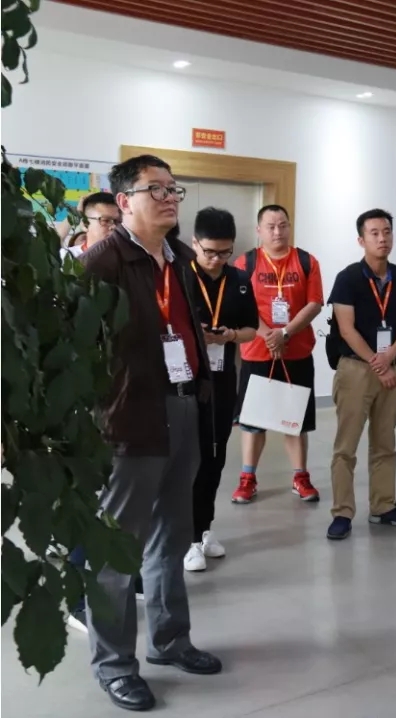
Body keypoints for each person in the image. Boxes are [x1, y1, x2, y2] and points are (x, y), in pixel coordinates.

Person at [81, 154, 220, 711]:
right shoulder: (102, 263)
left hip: (183, 406)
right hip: (131, 417)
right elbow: (78, 351)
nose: (169, 197)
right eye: (154, 189)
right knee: (117, 550)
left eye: (173, 188)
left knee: (171, 536)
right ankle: (114, 665)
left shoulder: (180, 258)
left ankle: (169, 640)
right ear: (124, 202)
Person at [326, 208, 396, 538]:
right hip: (356, 369)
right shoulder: (348, 278)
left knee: (385, 442)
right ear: (361, 239)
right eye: (375, 233)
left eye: (387, 232)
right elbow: (346, 329)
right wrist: (378, 363)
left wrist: (389, 357)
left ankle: (382, 506)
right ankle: (342, 512)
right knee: (346, 446)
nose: (382, 238)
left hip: (392, 368)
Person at [231, 205, 324, 504]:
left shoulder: (306, 261)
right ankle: (248, 478)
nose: (277, 231)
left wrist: (285, 333)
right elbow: (241, 306)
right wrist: (268, 335)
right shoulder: (246, 262)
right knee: (253, 422)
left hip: (297, 352)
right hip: (257, 353)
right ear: (259, 229)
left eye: (283, 225)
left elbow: (314, 304)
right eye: (270, 226)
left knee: (295, 421)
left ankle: (300, 477)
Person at [184, 208, 259, 572]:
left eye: (224, 252)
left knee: (215, 456)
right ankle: (186, 538)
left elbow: (251, 329)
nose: (216, 259)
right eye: (209, 252)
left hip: (223, 378)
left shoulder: (240, 279)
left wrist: (228, 335)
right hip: (185, 380)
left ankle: (204, 529)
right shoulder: (180, 275)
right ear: (194, 243)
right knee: (189, 459)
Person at [60, 192, 120, 258]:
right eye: (106, 220)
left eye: (118, 221)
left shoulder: (126, 258)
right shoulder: (67, 257)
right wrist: (76, 213)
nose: (114, 226)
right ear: (85, 224)